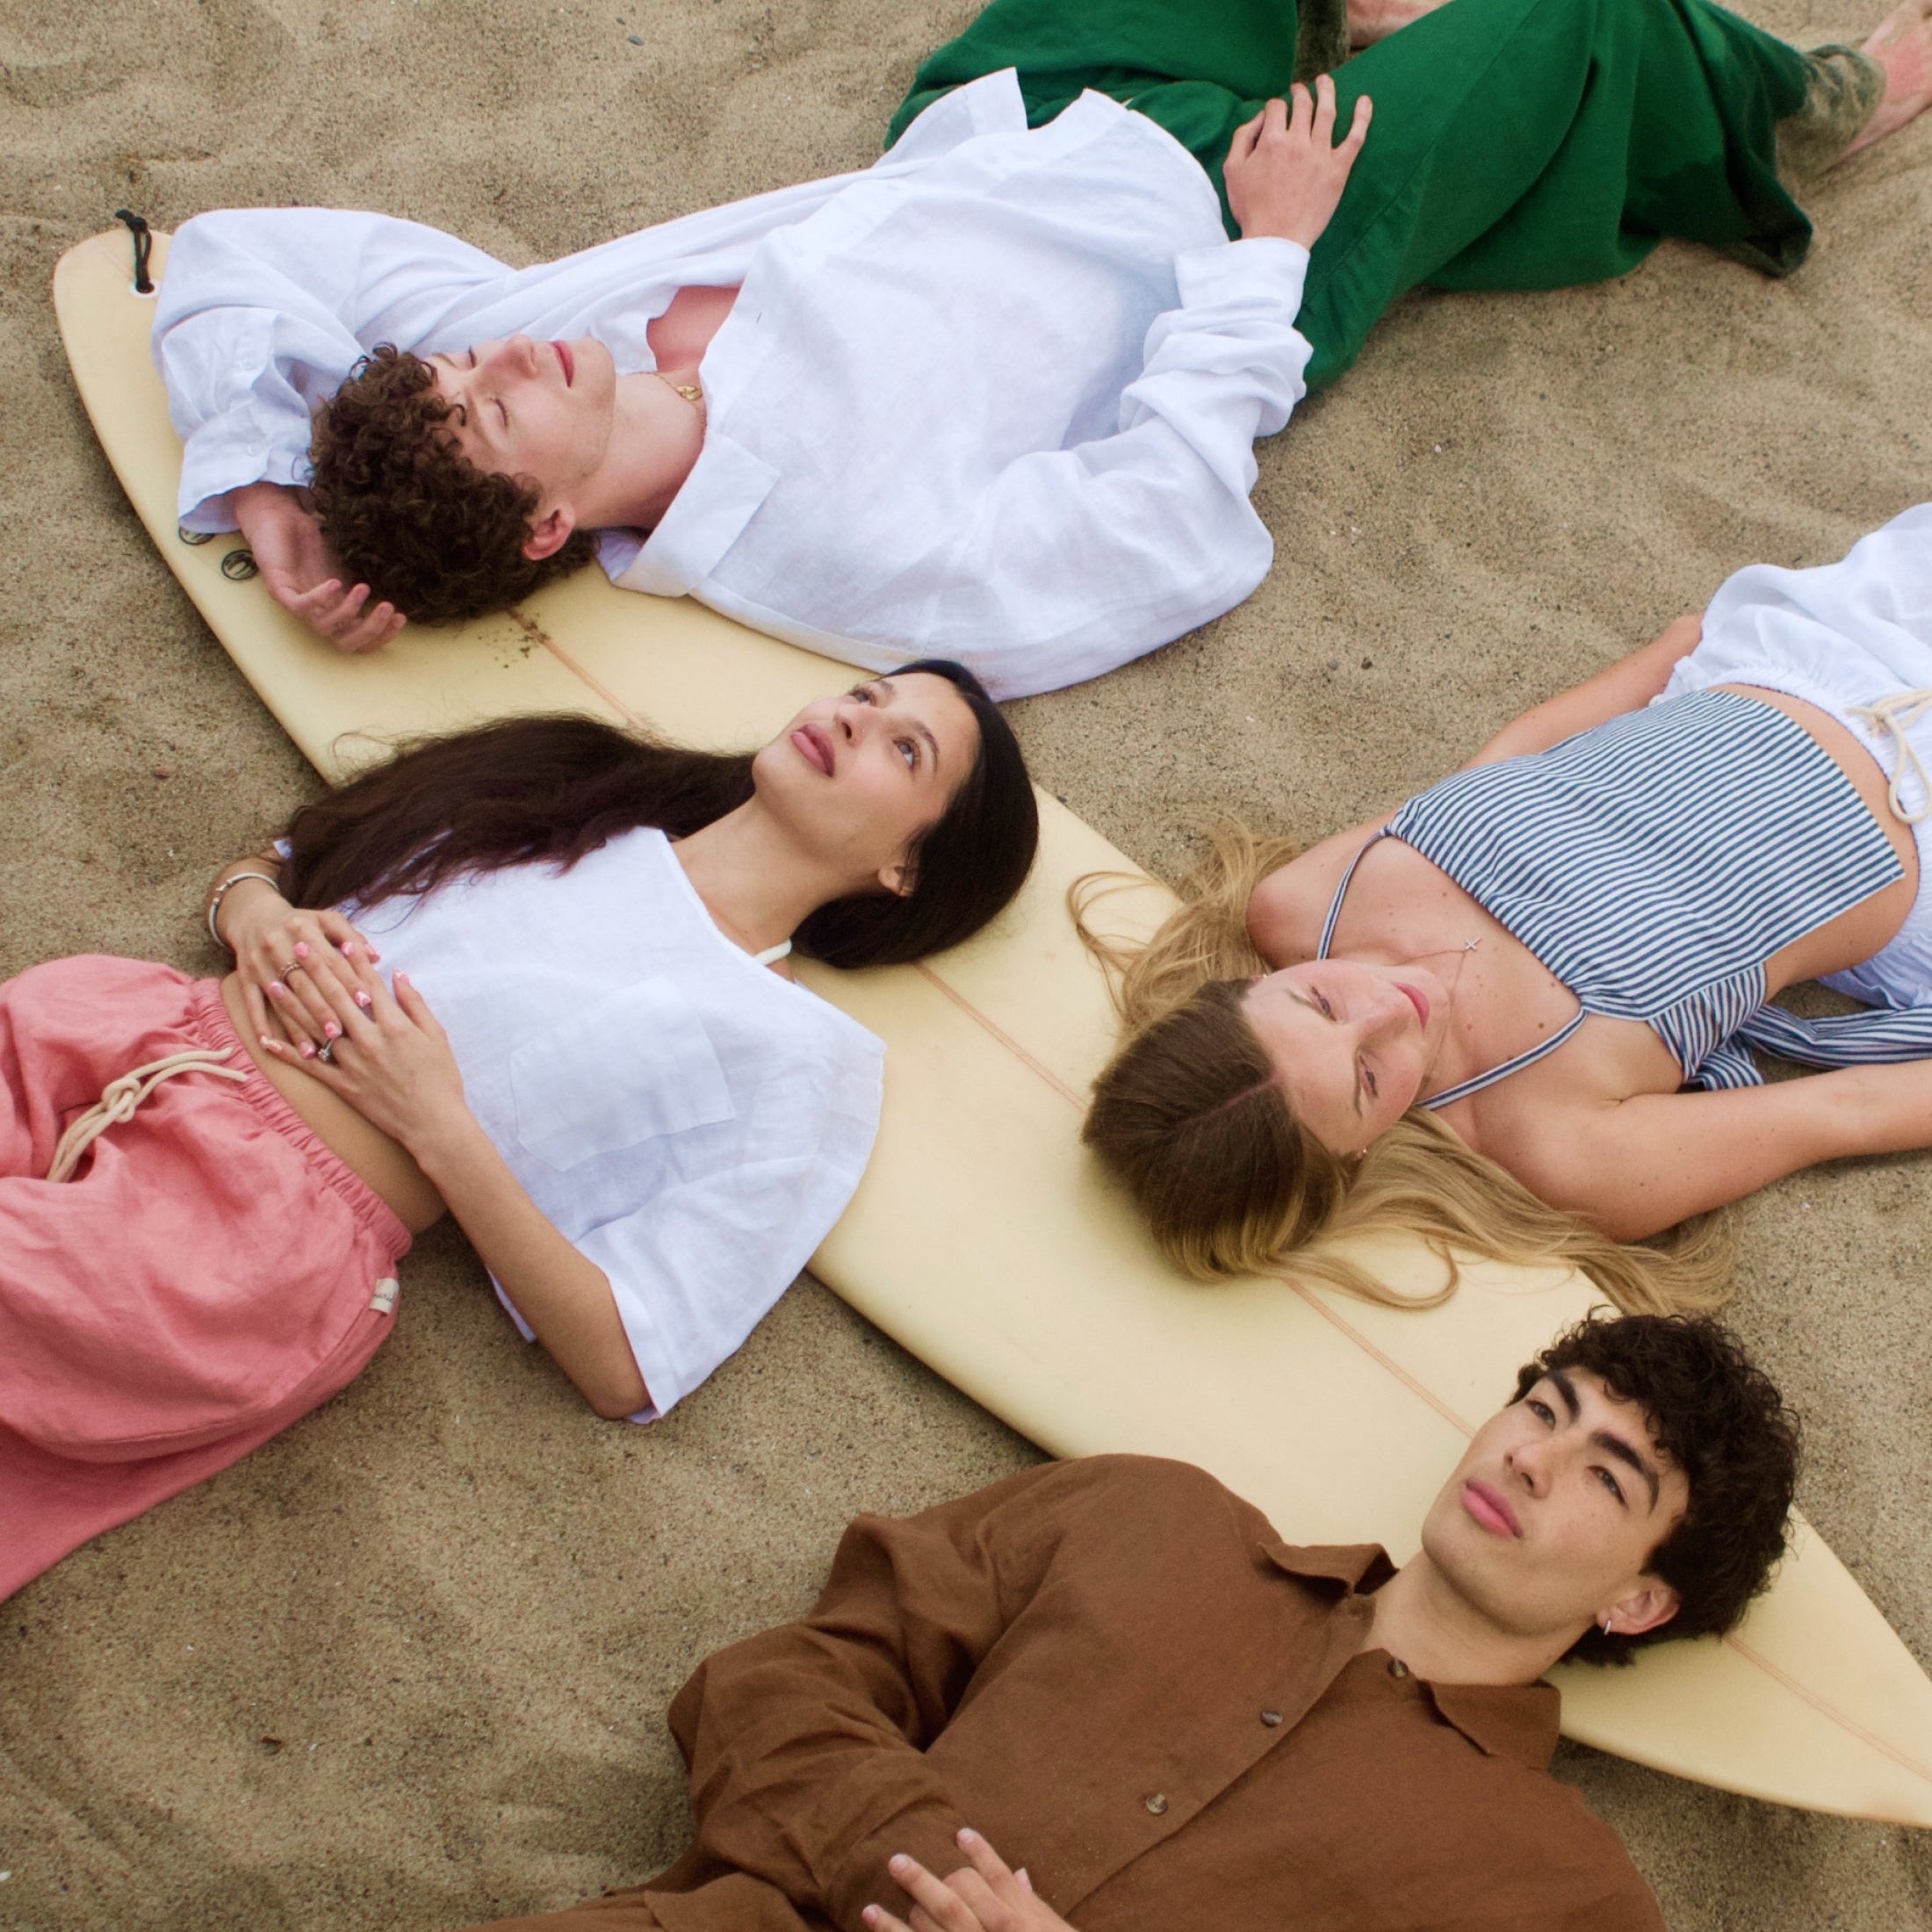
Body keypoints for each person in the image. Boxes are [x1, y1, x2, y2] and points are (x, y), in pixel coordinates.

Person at [151, 0, 1932, 695]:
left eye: (458, 369)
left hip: (1017, 116)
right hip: (1230, 234)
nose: (501, 360)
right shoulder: (833, 553)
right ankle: (1784, 113)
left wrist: (263, 485)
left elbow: (236, 255)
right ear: (545, 528)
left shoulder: (557, 348)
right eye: (487, 412)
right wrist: (1267, 265)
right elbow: (1170, 530)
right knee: (1563, 21)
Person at [0, 663, 1037, 1601]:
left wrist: (439, 1126)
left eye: (907, 749)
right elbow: (279, 860)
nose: (856, 722)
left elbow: (627, 1363)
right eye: (866, 695)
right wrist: (256, 915)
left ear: (907, 868)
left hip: (242, 1232)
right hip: (123, 1027)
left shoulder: (798, 1059)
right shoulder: (575, 785)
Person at [458, 1310, 1799, 1932]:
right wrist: (915, 1867)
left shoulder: (1564, 1899)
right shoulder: (1147, 1515)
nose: (1530, 1460)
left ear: (1638, 1596)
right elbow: (779, 1684)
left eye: (1607, 1478)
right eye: (1544, 1409)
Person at [1080, 503, 1932, 1312]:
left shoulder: (1301, 904)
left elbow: (1512, 758)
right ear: (1357, 1153)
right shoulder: (1556, 1144)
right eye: (1368, 1077)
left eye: (1319, 999)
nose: (1390, 1006)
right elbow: (1842, 1111)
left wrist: (1662, 658)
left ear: (1248, 987)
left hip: (1795, 653)